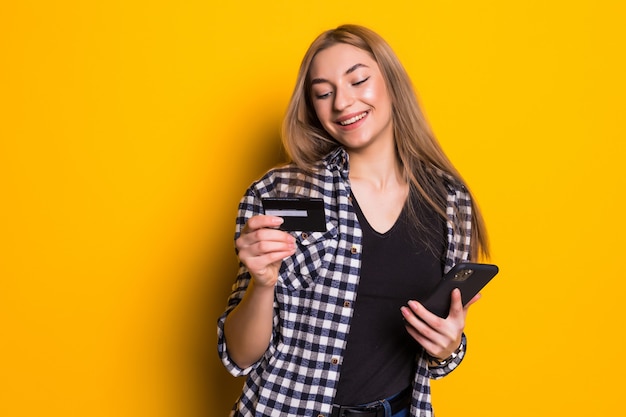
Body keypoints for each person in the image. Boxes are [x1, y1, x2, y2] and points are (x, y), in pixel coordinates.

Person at [217, 24, 489, 417]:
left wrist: (448, 347)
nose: (342, 103)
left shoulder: (449, 202)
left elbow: (441, 348)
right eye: (324, 93)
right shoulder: (278, 191)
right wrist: (262, 285)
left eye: (358, 80)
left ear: (391, 84)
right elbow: (240, 355)